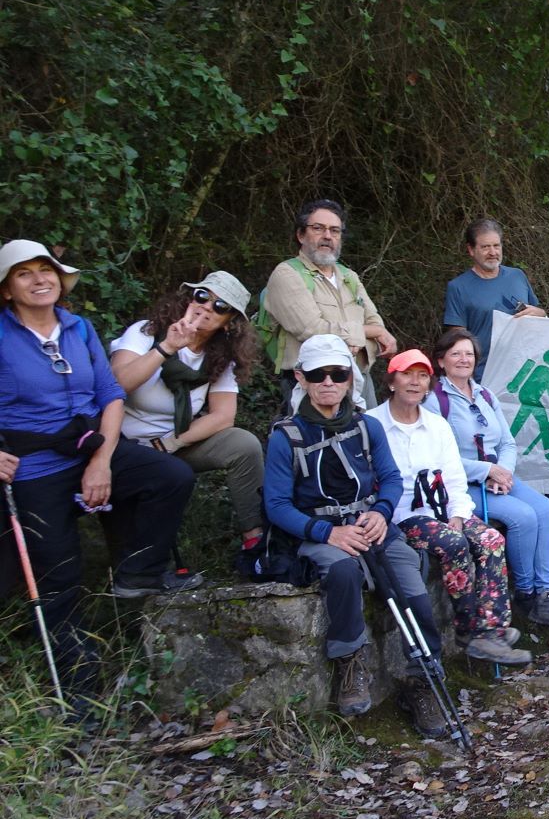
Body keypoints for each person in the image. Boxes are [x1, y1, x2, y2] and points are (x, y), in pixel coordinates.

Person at [0, 241, 198, 700]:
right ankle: (81, 693)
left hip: (91, 449)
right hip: (33, 469)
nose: (39, 279)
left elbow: (110, 394)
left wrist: (102, 461)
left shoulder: (78, 327)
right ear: (7, 290)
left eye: (46, 269)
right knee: (59, 577)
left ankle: (137, 573)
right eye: (24, 273)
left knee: (170, 477)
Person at [262, 334, 446, 732]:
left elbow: (391, 478)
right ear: (301, 378)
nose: (328, 382)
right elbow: (276, 505)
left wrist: (381, 512)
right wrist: (327, 533)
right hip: (318, 531)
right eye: (318, 374)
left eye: (338, 374)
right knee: (342, 570)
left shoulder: (367, 426)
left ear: (350, 378)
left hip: (370, 524)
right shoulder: (285, 437)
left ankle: (423, 678)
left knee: (411, 582)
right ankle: (350, 663)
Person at [369, 350, 531, 666]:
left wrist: (457, 513)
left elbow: (454, 475)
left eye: (422, 376)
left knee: (491, 540)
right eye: (407, 374)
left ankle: (491, 629)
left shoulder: (436, 425)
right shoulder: (373, 423)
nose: (415, 382)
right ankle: (469, 630)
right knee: (453, 543)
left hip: (442, 508)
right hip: (403, 514)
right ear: (391, 382)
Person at [427, 328, 549, 632]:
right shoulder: (435, 401)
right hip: (462, 483)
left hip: (498, 477)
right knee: (523, 517)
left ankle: (548, 594)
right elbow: (436, 457)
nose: (463, 359)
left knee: (548, 511)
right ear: (441, 360)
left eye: (469, 354)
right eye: (456, 354)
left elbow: (508, 442)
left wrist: (503, 472)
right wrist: (486, 471)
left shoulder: (485, 395)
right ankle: (525, 595)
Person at [110, 272, 265, 571]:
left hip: (172, 443)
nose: (207, 306)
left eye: (220, 306)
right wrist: (167, 348)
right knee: (171, 473)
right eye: (202, 296)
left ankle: (256, 542)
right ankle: (147, 567)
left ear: (229, 322)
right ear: (189, 298)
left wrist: (170, 443)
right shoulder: (146, 332)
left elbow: (223, 416)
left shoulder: (220, 356)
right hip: (125, 443)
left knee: (243, 445)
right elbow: (117, 385)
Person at [262, 199, 397, 405]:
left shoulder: (349, 276)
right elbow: (312, 330)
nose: (327, 236)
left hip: (359, 380)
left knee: (366, 427)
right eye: (318, 228)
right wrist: (370, 333)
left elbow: (377, 325)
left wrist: (364, 337)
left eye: (335, 230)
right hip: (313, 382)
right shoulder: (286, 274)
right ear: (300, 235)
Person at [441, 218, 546, 378]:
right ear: (471, 250)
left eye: (496, 246)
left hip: (524, 372)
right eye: (485, 247)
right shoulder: (458, 287)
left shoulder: (517, 276)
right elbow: (458, 340)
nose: (493, 252)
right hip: (484, 375)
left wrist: (540, 313)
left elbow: (541, 318)